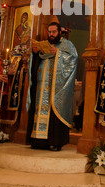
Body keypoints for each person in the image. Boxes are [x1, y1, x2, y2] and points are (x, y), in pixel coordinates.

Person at [26, 22, 78, 151]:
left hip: (56, 88)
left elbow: (73, 60)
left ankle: (55, 142)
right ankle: (39, 141)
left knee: (54, 112)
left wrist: (59, 54)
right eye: (49, 32)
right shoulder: (45, 44)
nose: (51, 34)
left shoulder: (67, 45)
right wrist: (35, 53)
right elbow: (35, 62)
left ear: (60, 32)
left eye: (54, 32)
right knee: (39, 110)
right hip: (41, 86)